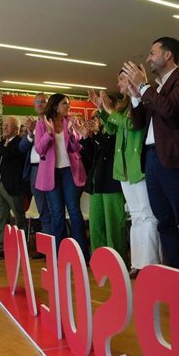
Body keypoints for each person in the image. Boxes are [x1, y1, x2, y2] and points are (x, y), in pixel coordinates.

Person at [122, 37, 179, 277]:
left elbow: (169, 110)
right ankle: (175, 275)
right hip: (152, 159)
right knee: (164, 221)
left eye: (152, 53)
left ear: (168, 55)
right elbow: (139, 123)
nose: (148, 58)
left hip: (175, 160)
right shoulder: (155, 87)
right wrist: (136, 95)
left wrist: (144, 87)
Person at [91, 76, 162, 279]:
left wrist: (110, 111)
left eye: (122, 79)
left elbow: (132, 125)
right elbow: (113, 129)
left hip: (138, 165)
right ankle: (138, 262)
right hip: (123, 167)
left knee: (147, 217)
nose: (119, 83)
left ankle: (151, 263)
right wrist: (103, 110)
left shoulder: (142, 100)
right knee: (137, 216)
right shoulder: (122, 105)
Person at [34, 94, 89, 257]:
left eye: (68, 103)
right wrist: (49, 133)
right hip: (51, 174)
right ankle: (60, 254)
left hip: (70, 172)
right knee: (57, 213)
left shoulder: (71, 122)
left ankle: (81, 253)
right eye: (65, 104)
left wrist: (72, 133)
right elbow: (39, 149)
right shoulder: (42, 123)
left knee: (74, 210)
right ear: (56, 106)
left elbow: (76, 148)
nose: (68, 106)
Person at [74, 111, 127, 261]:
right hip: (96, 184)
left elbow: (112, 152)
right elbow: (91, 157)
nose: (94, 119)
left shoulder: (116, 129)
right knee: (96, 225)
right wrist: (85, 137)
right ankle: (99, 259)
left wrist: (96, 134)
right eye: (94, 117)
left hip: (111, 183)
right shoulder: (99, 134)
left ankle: (117, 261)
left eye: (98, 115)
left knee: (113, 226)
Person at [0, 117, 27, 259]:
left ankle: (22, 246)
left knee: (18, 217)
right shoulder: (1, 143)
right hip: (0, 185)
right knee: (0, 218)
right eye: (4, 125)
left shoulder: (19, 142)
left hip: (14, 186)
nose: (4, 128)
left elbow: (8, 154)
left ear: (16, 128)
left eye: (8, 126)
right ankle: (4, 248)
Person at [19, 93, 53, 239]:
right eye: (37, 102)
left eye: (43, 102)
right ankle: (48, 248)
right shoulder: (31, 126)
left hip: (50, 168)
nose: (40, 104)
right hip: (34, 170)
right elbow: (22, 147)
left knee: (54, 208)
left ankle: (59, 245)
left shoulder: (52, 122)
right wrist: (31, 133)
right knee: (42, 209)